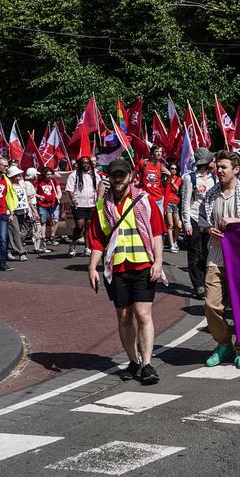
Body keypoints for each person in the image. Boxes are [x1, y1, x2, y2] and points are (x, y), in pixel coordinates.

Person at [88, 159, 166, 385]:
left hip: (143, 266)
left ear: (130, 176)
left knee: (143, 314)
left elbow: (157, 233)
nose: (118, 179)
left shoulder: (145, 201)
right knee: (124, 317)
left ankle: (147, 364)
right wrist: (92, 267)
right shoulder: (101, 207)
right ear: (109, 178)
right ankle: (133, 361)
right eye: (114, 175)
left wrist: (158, 261)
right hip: (117, 268)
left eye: (122, 175)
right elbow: (97, 240)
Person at [198, 150, 240, 370]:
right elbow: (202, 219)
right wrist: (208, 229)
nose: (218, 171)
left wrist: (238, 221)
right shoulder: (211, 194)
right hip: (216, 256)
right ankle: (223, 343)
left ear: (236, 169)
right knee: (211, 304)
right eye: (217, 167)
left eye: (223, 167)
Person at [181, 148, 216, 299]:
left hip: (209, 221)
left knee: (207, 253)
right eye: (212, 160)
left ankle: (206, 282)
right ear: (205, 162)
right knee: (195, 253)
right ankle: (199, 285)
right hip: (194, 219)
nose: (214, 162)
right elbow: (186, 202)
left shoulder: (214, 179)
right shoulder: (190, 179)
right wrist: (187, 224)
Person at [65, 156, 100, 257]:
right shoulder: (74, 175)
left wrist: (99, 199)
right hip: (79, 204)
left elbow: (99, 187)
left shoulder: (94, 175)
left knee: (88, 226)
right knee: (80, 225)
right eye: (83, 163)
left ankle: (87, 247)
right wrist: (73, 199)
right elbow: (70, 189)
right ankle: (73, 242)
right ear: (80, 164)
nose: (85, 165)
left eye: (87, 163)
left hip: (92, 204)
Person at [5, 166, 30, 262]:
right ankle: (21, 252)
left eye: (19, 174)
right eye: (17, 175)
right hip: (11, 212)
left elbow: (25, 198)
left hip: (21, 211)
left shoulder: (22, 184)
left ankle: (8, 250)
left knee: (15, 232)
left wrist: (27, 210)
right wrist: (10, 212)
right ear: (12, 176)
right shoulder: (8, 185)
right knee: (15, 231)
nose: (19, 176)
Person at [36, 166, 62, 247]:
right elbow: (34, 192)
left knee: (55, 220)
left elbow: (59, 191)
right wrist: (39, 196)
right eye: (47, 174)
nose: (49, 176)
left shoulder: (54, 181)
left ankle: (52, 237)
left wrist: (58, 197)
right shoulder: (39, 182)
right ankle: (43, 238)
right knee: (43, 222)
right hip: (42, 204)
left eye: (51, 174)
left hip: (53, 204)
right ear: (44, 175)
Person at [137, 145, 167, 213]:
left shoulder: (162, 166)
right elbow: (132, 178)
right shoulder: (143, 163)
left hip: (159, 200)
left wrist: (169, 176)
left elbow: (164, 185)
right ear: (152, 153)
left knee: (159, 219)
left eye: (160, 151)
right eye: (156, 151)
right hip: (146, 199)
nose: (159, 153)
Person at [23, 168, 45, 254]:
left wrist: (38, 196)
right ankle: (36, 247)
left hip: (31, 207)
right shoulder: (28, 184)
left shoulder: (29, 184)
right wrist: (35, 211)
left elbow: (32, 194)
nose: (37, 176)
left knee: (31, 227)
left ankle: (36, 246)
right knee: (35, 227)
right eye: (36, 175)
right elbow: (29, 199)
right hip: (31, 208)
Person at [163, 163, 183, 253]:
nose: (173, 170)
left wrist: (173, 183)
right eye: (171, 168)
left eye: (175, 169)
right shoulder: (166, 178)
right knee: (170, 225)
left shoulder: (179, 178)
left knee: (178, 225)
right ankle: (172, 245)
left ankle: (174, 240)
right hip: (168, 203)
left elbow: (177, 190)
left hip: (176, 204)